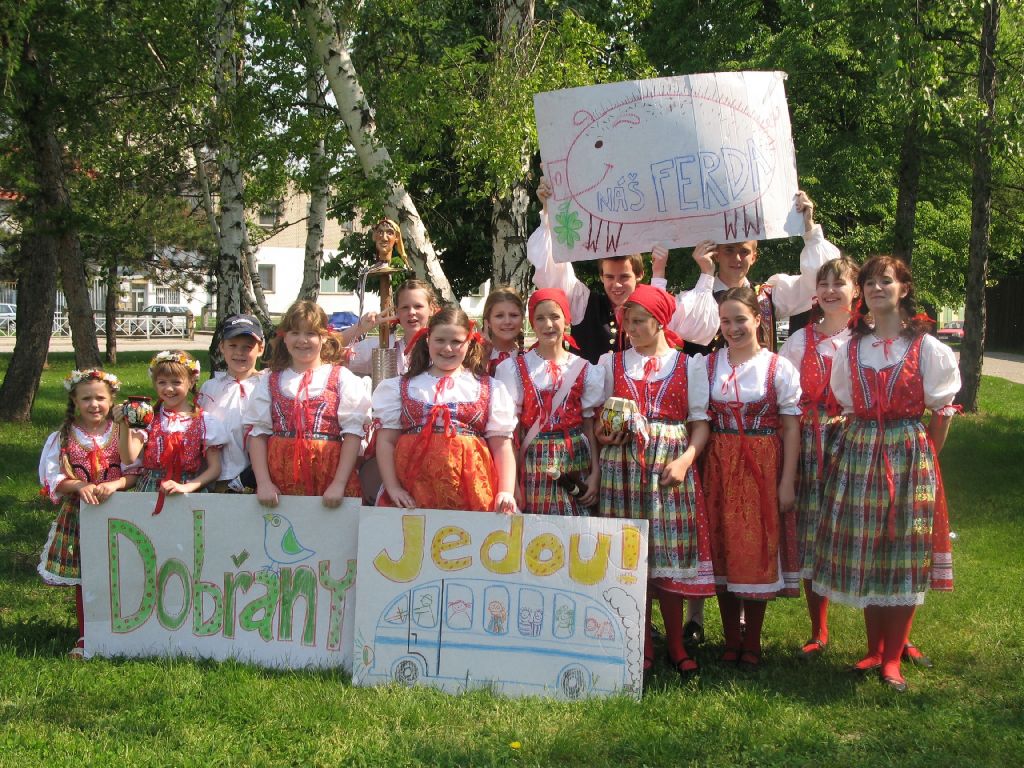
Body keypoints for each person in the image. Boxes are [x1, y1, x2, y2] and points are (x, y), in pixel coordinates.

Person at [679, 189, 838, 648]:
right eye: (728, 249)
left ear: (755, 253)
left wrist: (809, 229)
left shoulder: (770, 293)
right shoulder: (703, 294)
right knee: (714, 524)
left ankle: (748, 622)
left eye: (744, 250)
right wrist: (703, 274)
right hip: (713, 422)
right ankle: (699, 616)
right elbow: (688, 329)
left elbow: (818, 282)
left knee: (752, 528)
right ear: (715, 251)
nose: (736, 257)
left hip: (762, 422)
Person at [812, 256, 959, 692]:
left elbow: (942, 412)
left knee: (904, 553)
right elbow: (846, 402)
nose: (877, 288)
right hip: (860, 452)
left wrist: (926, 458)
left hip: (908, 454)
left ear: (904, 289)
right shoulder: (851, 348)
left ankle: (893, 657)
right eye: (870, 282)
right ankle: (874, 648)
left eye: (886, 281)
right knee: (869, 550)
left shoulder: (926, 348)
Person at [596, 284, 716, 677]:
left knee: (667, 556)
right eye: (627, 322)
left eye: (638, 321)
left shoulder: (687, 365)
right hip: (623, 469)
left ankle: (676, 643)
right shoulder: (612, 364)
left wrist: (685, 460)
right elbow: (599, 422)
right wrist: (604, 435)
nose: (630, 329)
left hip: (668, 467)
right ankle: (642, 643)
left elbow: (700, 422)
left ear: (660, 321)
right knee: (631, 557)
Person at [698, 287, 802, 669]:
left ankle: (752, 639)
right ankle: (730, 637)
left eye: (740, 319)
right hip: (718, 464)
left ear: (758, 319)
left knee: (757, 549)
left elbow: (791, 427)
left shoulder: (778, 367)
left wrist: (786, 481)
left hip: (762, 465)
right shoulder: (708, 365)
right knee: (723, 547)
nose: (733, 328)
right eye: (725, 321)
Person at [529, 178, 719, 364]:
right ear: (601, 276)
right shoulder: (584, 304)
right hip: (591, 387)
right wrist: (548, 211)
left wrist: (707, 273)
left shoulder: (658, 309)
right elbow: (550, 269)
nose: (617, 284)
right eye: (609, 277)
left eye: (624, 277)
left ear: (639, 275)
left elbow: (700, 328)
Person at [778, 257, 859, 657]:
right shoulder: (799, 341)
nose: (829, 291)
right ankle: (819, 628)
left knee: (861, 531)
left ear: (855, 290)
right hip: (811, 443)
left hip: (855, 442)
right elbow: (785, 400)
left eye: (838, 283)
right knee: (812, 532)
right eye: (823, 283)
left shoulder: (866, 338)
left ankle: (887, 631)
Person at [372, 304, 518, 513]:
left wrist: (506, 491)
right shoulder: (400, 386)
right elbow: (386, 441)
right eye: (440, 340)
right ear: (428, 340)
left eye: (456, 342)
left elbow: (501, 446)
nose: (447, 348)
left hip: (472, 489)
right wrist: (393, 487)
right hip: (411, 487)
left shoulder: (489, 387)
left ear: (469, 342)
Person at [38, 369, 136, 658]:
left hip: (120, 511)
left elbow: (136, 471)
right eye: (86, 399)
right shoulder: (63, 437)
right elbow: (52, 478)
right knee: (88, 575)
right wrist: (80, 485)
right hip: (82, 514)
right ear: (74, 401)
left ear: (112, 400)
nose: (94, 404)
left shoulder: (122, 433)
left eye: (100, 398)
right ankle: (87, 635)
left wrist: (115, 484)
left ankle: (127, 629)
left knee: (123, 572)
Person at [245, 300, 371, 508]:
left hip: (330, 473)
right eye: (295, 332)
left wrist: (339, 484)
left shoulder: (341, 378)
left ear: (324, 337)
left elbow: (352, 434)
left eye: (310, 333)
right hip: (280, 474)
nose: (302, 340)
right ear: (284, 337)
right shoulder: (270, 380)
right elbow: (258, 434)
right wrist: (264, 483)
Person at [495, 288, 605, 515]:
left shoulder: (583, 368)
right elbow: (512, 432)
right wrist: (513, 484)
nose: (548, 324)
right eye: (540, 318)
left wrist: (595, 473)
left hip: (575, 458)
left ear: (566, 320)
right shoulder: (515, 368)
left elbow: (589, 424)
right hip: (533, 460)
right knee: (535, 525)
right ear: (532, 323)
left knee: (575, 524)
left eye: (555, 316)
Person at [118, 351, 226, 515]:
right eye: (162, 382)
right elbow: (128, 458)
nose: (169, 388)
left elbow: (215, 468)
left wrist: (187, 487)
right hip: (150, 490)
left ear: (191, 381)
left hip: (188, 491)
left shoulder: (204, 421)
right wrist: (124, 424)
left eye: (176, 382)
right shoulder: (149, 419)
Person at [198, 314, 265, 493]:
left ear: (260, 349)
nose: (239, 353)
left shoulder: (266, 386)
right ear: (222, 347)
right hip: (215, 478)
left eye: (247, 347)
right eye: (233, 346)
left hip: (255, 479)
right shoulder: (210, 387)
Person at [346, 279, 440, 377]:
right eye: (405, 307)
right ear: (396, 311)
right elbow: (335, 353)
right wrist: (360, 328)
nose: (411, 312)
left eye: (418, 306)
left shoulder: (442, 347)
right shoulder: (385, 347)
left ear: (431, 309)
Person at [481, 287, 526, 375]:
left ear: (522, 319)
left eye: (513, 315)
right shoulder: (474, 359)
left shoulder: (529, 360)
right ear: (488, 321)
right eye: (499, 316)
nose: (507, 321)